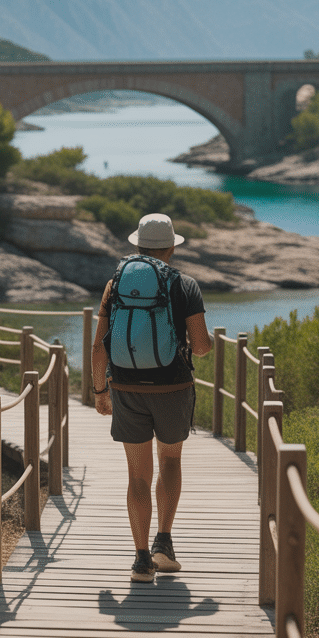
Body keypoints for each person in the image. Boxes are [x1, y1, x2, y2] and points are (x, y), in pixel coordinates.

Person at [92, 213, 213, 582]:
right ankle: (164, 544)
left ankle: (141, 560)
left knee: (137, 474)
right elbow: (203, 347)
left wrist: (100, 392)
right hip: (173, 388)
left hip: (126, 388)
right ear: (172, 247)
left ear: (138, 246)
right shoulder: (185, 284)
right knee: (170, 461)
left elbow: (99, 347)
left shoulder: (114, 285)